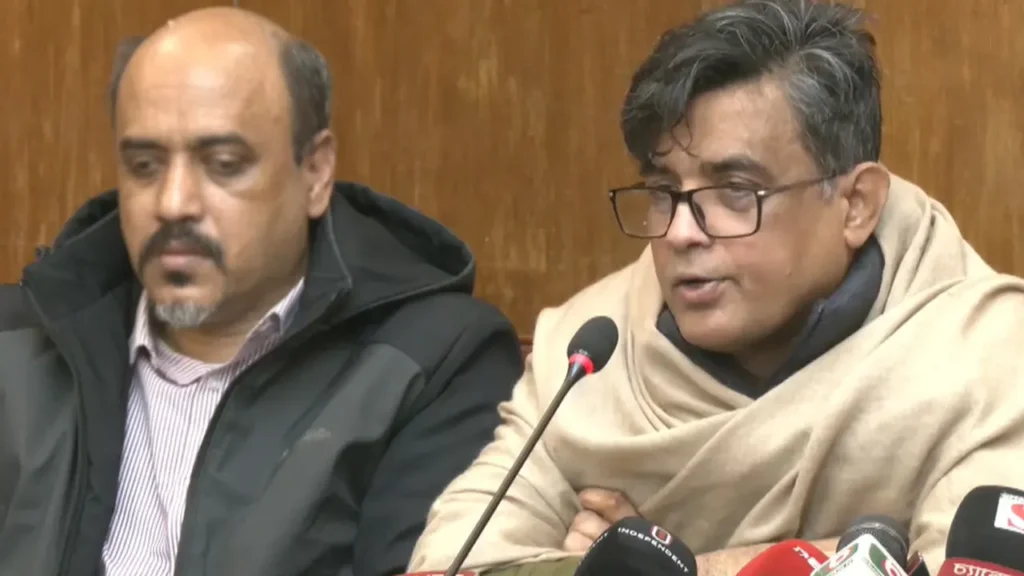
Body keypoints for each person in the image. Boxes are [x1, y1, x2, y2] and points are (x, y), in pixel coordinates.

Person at [408, 1, 1024, 574]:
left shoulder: (989, 357)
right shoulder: (588, 354)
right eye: (663, 191)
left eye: (735, 191)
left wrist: (685, 566)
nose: (680, 233)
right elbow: (452, 559)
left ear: (856, 205)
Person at [0, 7, 523, 576]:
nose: (173, 203)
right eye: (145, 166)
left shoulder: (433, 362)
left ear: (315, 173)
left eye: (223, 165)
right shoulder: (19, 347)